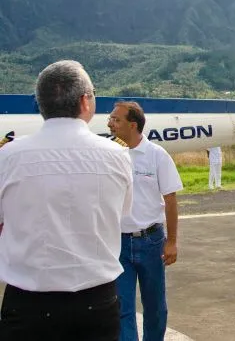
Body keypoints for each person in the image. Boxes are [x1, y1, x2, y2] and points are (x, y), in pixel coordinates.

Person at [0, 60, 133, 341]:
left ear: (41, 103)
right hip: (96, 305)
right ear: (85, 101)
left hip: (27, 306)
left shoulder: (8, 157)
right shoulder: (117, 155)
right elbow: (121, 214)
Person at [107, 101, 183, 341]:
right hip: (118, 243)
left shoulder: (156, 155)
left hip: (151, 242)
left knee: (155, 308)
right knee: (121, 309)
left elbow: (170, 200)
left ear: (133, 125)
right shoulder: (109, 154)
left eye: (116, 119)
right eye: (110, 118)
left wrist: (171, 242)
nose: (110, 123)